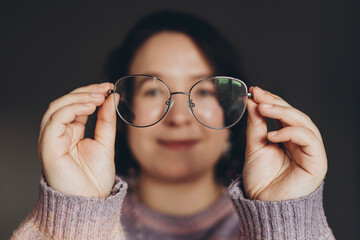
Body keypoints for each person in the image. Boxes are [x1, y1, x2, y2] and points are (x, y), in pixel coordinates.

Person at [11, 11, 335, 239]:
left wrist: (283, 218)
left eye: (204, 90)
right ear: (121, 109)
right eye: (154, 90)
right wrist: (74, 216)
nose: (179, 117)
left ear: (232, 111)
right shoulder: (73, 216)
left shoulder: (276, 210)